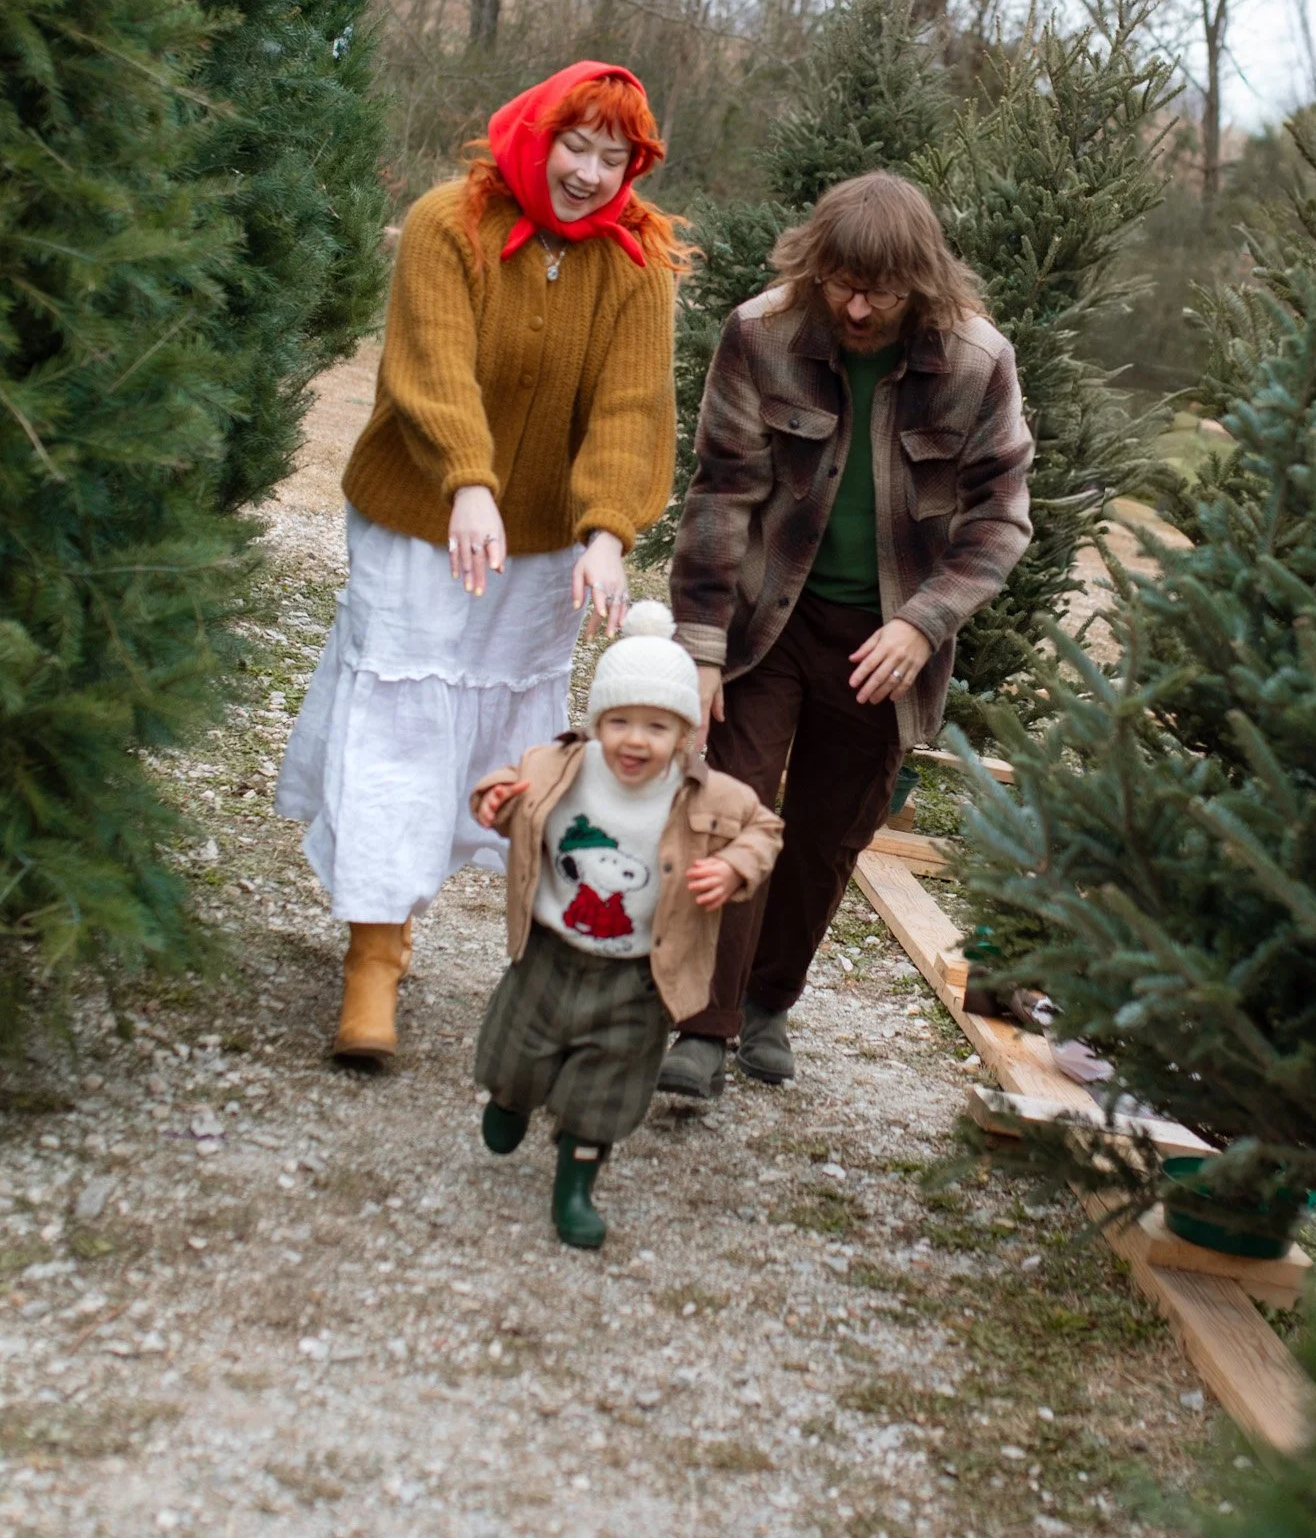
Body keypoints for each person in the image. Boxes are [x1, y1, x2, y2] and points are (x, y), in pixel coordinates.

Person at [276, 62, 685, 1068]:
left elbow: (631, 408)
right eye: (574, 145)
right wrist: (468, 478)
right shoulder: (445, 223)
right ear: (534, 133)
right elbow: (430, 364)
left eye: (613, 156)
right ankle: (372, 952)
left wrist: (605, 529)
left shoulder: (637, 266)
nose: (589, 172)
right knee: (402, 719)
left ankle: (414, 908)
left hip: (542, 540)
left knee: (490, 743)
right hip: (423, 516)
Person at [661, 171, 1034, 1100]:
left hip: (886, 638)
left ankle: (766, 1003)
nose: (859, 308)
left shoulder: (979, 362)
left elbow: (1001, 521)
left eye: (884, 291)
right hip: (764, 623)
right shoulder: (761, 334)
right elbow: (719, 496)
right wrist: (702, 649)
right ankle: (700, 1027)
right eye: (840, 285)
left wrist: (925, 620)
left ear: (925, 284)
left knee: (831, 830)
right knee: (734, 804)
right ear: (814, 267)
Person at [470, 602, 781, 1247]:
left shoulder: (707, 795)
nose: (635, 740)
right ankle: (509, 1098)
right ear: (595, 723)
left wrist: (733, 869)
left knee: (607, 1089)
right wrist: (492, 799)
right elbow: (508, 789)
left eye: (657, 726)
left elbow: (763, 830)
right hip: (552, 954)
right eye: (619, 722)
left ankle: (575, 1184)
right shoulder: (561, 768)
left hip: (640, 973)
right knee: (516, 1053)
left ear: (687, 734)